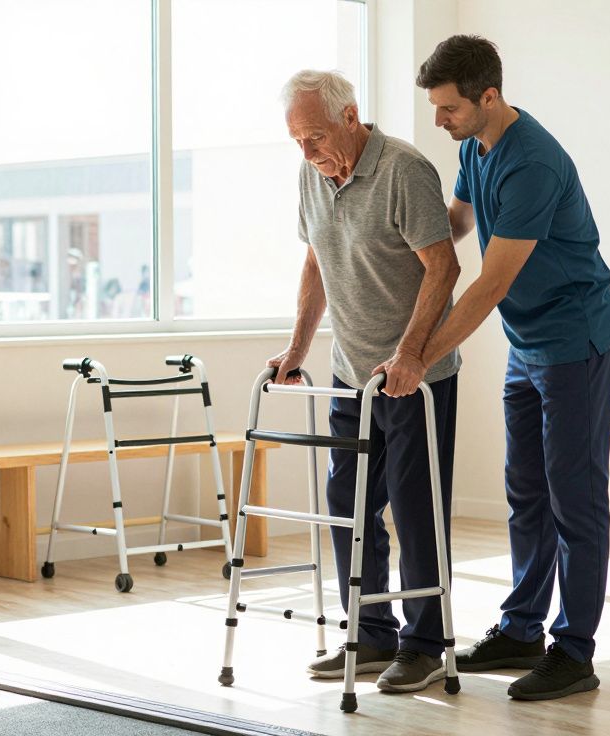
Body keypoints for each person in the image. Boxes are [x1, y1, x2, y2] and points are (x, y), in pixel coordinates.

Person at [414, 34, 610, 701]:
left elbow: (489, 285)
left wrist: (422, 355)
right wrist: (400, 245)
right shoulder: (475, 149)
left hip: (574, 340)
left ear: (489, 96)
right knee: (526, 490)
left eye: (448, 109)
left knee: (575, 496)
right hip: (526, 344)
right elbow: (455, 224)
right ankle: (522, 627)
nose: (439, 121)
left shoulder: (531, 161)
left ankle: (574, 650)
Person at [269, 69, 462, 693]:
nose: (307, 151)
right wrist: (296, 351)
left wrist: (410, 355)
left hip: (416, 378)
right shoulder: (311, 174)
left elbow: (443, 266)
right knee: (348, 506)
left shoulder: (403, 170)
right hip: (352, 373)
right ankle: (371, 633)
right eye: (297, 139)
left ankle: (425, 643)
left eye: (316, 135)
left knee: (414, 510)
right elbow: (316, 261)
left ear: (351, 116)